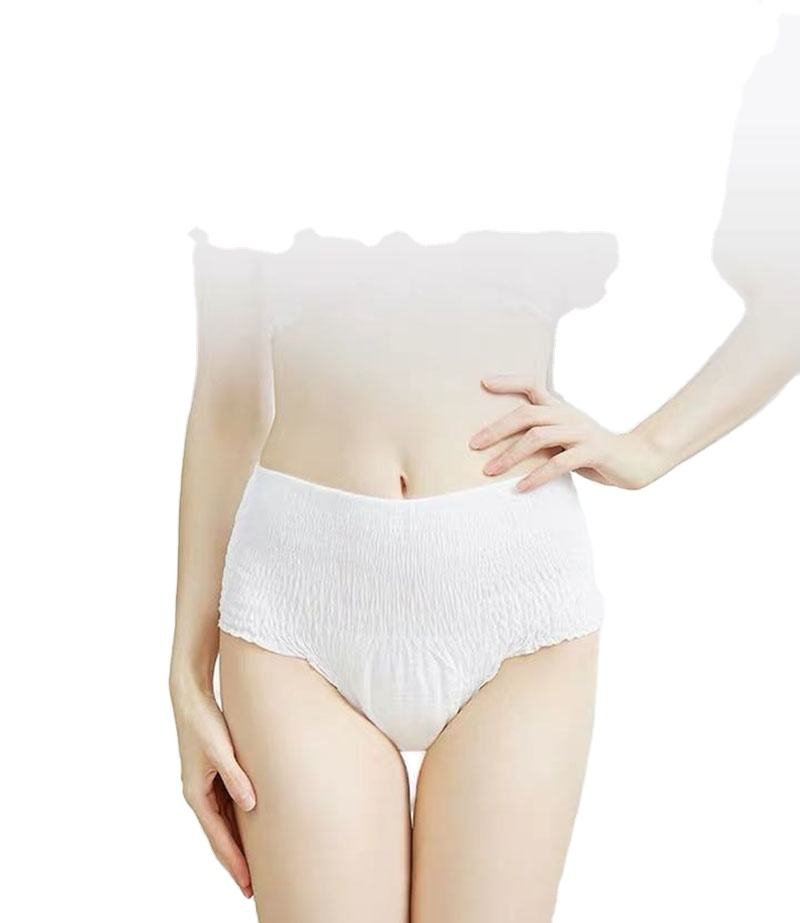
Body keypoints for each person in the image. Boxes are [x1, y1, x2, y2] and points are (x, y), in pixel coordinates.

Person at [169, 16, 799, 923]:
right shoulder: (251, 62)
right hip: (295, 610)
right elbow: (229, 396)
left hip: (514, 610)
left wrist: (651, 448)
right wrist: (185, 671)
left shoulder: (608, 57)